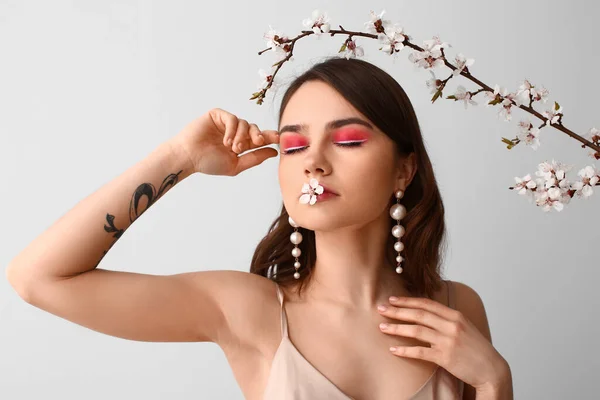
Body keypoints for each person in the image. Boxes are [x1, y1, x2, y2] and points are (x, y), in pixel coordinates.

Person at [6, 57, 513, 399]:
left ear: (404, 170)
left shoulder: (456, 307)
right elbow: (39, 279)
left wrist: (494, 382)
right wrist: (180, 157)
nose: (313, 161)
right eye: (293, 146)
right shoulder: (248, 309)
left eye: (349, 140)